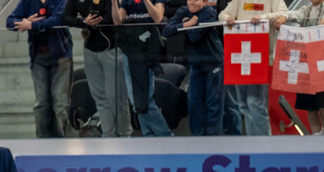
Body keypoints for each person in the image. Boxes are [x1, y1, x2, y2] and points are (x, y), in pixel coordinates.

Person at [63, 0, 133, 137]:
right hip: (90, 50)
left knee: (116, 98)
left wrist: (94, 22)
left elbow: (112, 18)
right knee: (100, 97)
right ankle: (108, 135)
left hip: (112, 49)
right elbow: (65, 17)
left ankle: (124, 135)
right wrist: (84, 22)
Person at [219, 0, 287, 136]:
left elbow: (285, 13)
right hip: (239, 57)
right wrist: (228, 18)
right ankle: (253, 142)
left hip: (261, 57)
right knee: (243, 103)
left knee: (254, 102)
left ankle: (265, 143)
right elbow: (222, 14)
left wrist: (263, 18)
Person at [7, 0, 72, 138]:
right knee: (41, 103)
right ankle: (43, 141)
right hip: (38, 57)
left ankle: (63, 139)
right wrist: (25, 21)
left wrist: (31, 25)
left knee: (60, 103)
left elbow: (58, 19)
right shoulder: (28, 1)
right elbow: (9, 21)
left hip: (61, 57)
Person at [111, 0, 173, 137]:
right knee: (136, 101)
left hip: (148, 51)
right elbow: (118, 21)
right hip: (131, 52)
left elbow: (157, 18)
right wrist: (114, 3)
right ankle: (149, 137)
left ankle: (167, 136)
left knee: (144, 99)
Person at [164, 0, 224, 136]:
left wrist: (184, 25)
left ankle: (214, 139)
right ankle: (197, 138)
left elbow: (194, 36)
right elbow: (166, 31)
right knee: (194, 102)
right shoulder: (183, 11)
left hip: (214, 62)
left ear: (204, 2)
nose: (192, 3)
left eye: (196, 0)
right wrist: (188, 23)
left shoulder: (209, 12)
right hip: (196, 64)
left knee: (213, 103)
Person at [286, 0, 324, 134]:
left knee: (322, 103)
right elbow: (292, 14)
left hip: (321, 65)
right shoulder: (305, 10)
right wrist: (283, 18)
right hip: (306, 64)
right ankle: (315, 136)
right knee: (310, 105)